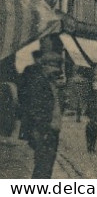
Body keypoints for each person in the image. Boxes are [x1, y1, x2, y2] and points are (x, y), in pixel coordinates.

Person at [18, 49, 62, 179]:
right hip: (44, 131)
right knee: (43, 167)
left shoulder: (48, 81)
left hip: (50, 130)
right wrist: (43, 130)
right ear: (46, 65)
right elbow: (36, 109)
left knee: (45, 167)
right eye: (54, 67)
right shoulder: (39, 82)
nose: (56, 71)